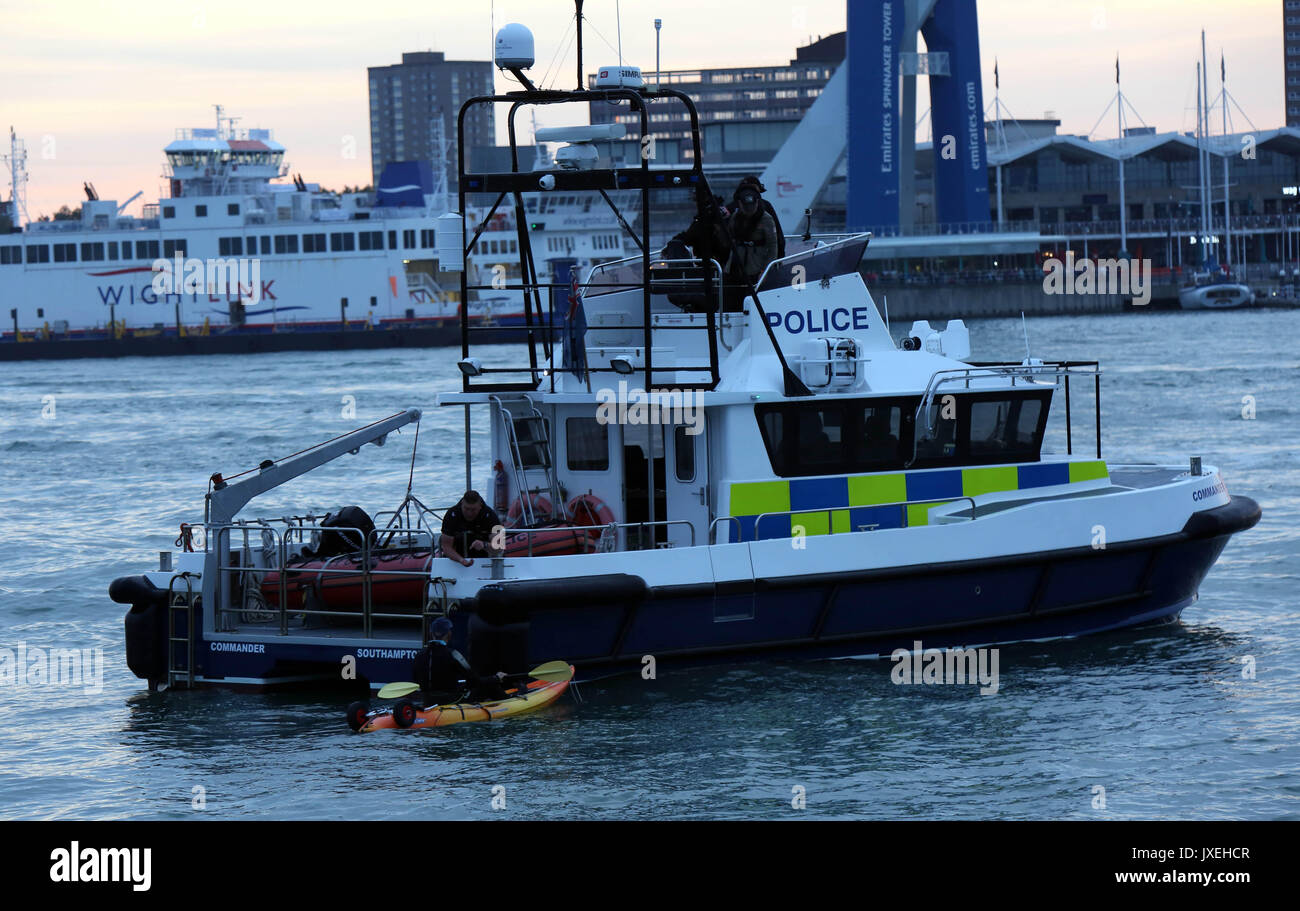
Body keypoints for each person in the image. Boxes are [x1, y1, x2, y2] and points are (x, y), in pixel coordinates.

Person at [412, 617, 508, 705]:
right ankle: (510, 702)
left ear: (431, 634)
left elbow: (416, 680)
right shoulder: (453, 654)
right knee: (491, 686)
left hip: (427, 701)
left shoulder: (419, 655)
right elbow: (475, 681)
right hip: (451, 701)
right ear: (449, 634)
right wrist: (496, 678)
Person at [727, 181, 779, 287]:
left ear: (757, 202)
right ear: (740, 204)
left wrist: (765, 270)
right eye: (746, 206)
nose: (749, 210)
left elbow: (773, 246)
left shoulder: (766, 219)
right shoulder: (735, 217)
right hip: (736, 265)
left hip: (756, 266)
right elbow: (729, 237)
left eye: (752, 205)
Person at [439, 490, 502, 567]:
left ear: (480, 506)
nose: (469, 513)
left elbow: (500, 546)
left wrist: (484, 545)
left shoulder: (491, 516)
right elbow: (446, 547)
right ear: (462, 503)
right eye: (466, 508)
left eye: (473, 509)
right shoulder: (451, 514)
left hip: (482, 562)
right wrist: (461, 560)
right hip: (456, 563)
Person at [733, 175, 786, 259]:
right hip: (759, 258)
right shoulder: (766, 206)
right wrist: (779, 256)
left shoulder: (733, 207)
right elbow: (776, 236)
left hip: (739, 259)